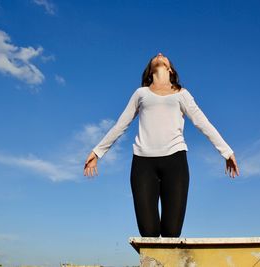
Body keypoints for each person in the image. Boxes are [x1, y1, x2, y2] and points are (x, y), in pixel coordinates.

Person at [83, 52, 240, 237]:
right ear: (150, 71)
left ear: (170, 69)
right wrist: (97, 151)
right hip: (143, 164)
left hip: (175, 162)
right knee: (148, 232)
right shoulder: (140, 93)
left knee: (172, 232)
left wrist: (226, 152)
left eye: (164, 56)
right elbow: (121, 124)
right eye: (155, 57)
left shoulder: (182, 94)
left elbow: (202, 123)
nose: (159, 54)